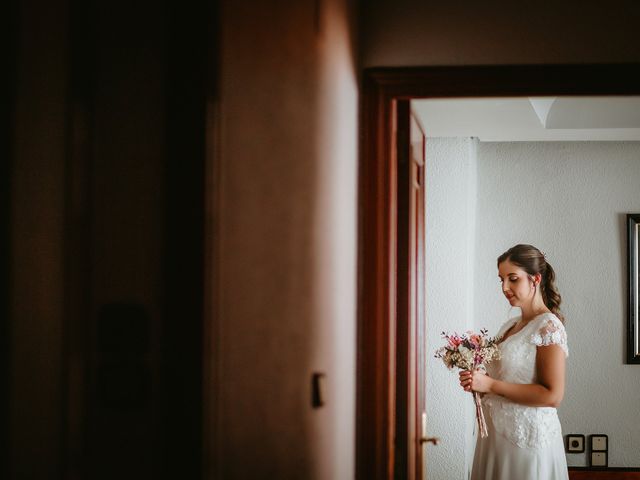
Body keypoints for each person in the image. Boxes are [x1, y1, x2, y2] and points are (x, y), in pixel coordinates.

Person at [459, 244, 569, 480]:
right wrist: (475, 370)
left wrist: (488, 385)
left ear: (535, 279)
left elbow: (552, 396)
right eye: (501, 279)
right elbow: (502, 376)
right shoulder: (509, 326)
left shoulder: (549, 326)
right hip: (494, 438)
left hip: (525, 443)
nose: (505, 287)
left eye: (513, 279)